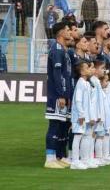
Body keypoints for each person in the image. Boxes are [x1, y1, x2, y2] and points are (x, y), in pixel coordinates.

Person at [44, 21, 73, 169]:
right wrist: (61, 94)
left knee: (61, 126)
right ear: (61, 33)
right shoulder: (56, 50)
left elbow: (66, 76)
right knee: (54, 125)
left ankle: (57, 156)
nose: (70, 32)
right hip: (56, 95)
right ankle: (49, 159)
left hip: (63, 95)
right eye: (67, 30)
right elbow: (57, 75)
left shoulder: (63, 50)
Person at [69, 61, 94, 169]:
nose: (89, 70)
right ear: (82, 72)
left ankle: (85, 159)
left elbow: (88, 103)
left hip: (85, 116)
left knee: (86, 136)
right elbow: (78, 100)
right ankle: (75, 161)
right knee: (78, 136)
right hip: (79, 116)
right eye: (87, 68)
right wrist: (81, 114)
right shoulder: (80, 83)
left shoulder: (86, 83)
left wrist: (90, 116)